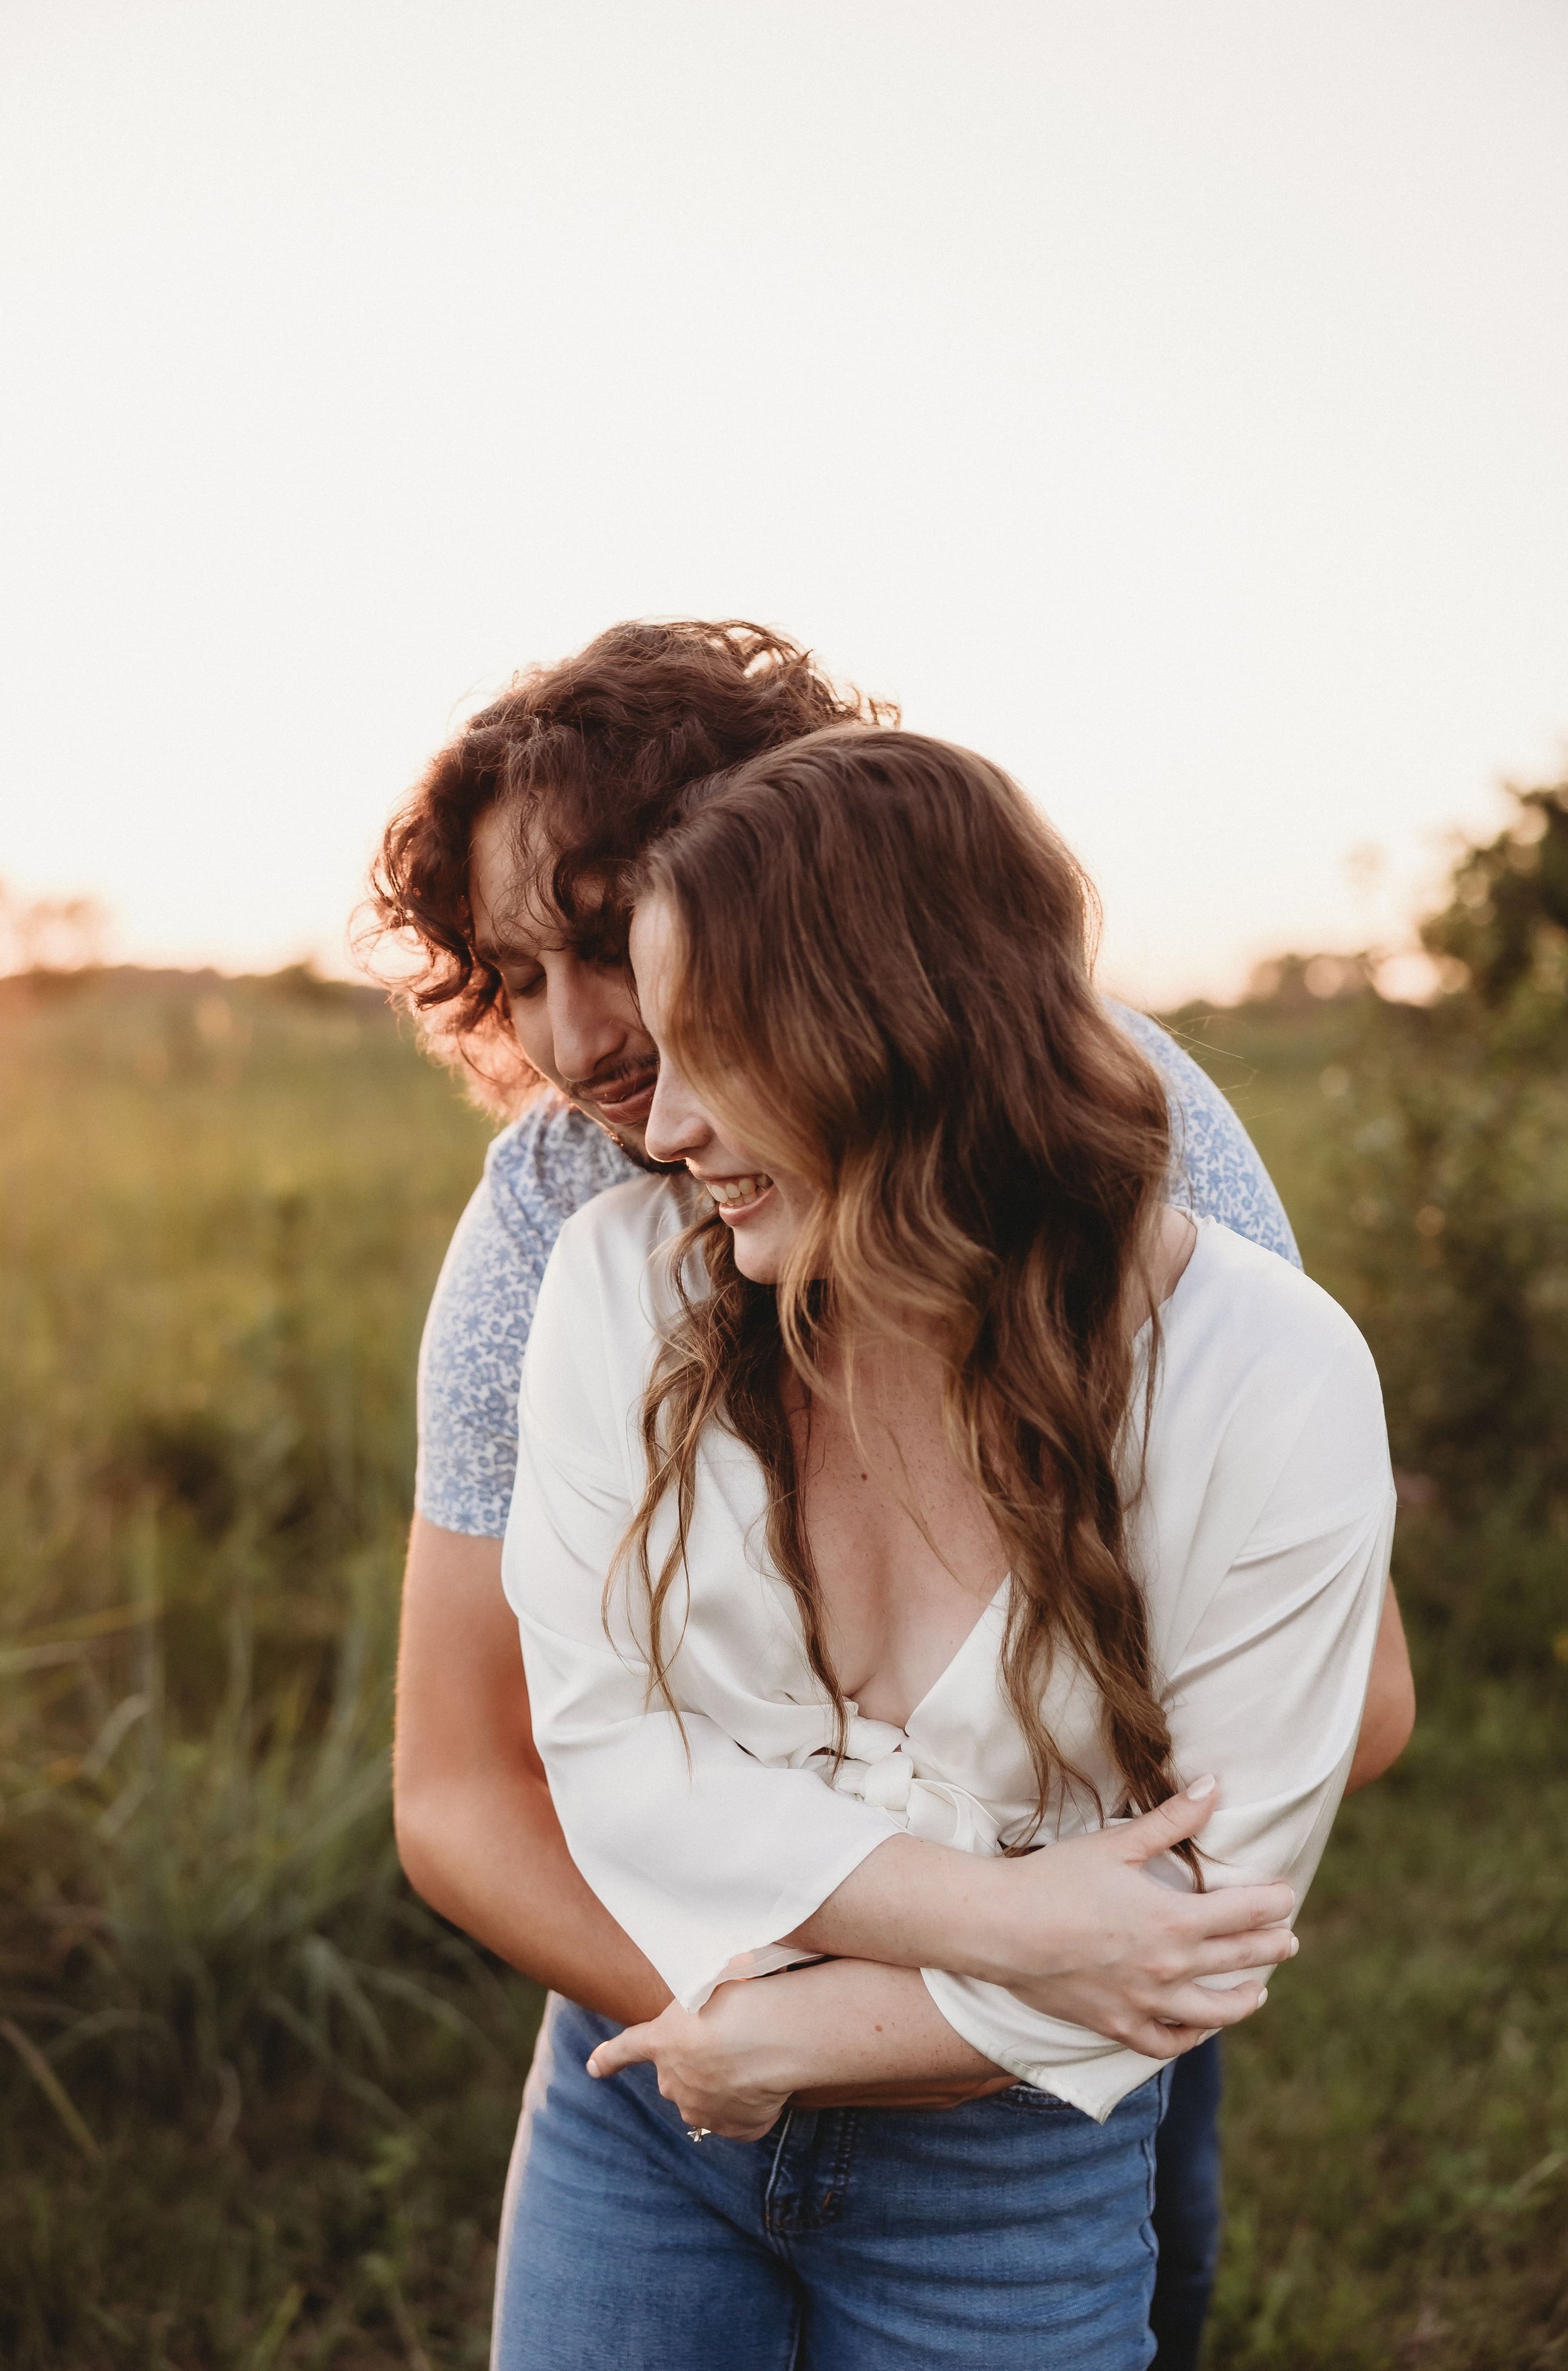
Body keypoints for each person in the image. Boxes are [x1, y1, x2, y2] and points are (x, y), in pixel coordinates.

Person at [371, 622, 1415, 2367]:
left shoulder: (1135, 1152)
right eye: (510, 969)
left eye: (611, 935)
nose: (576, 1044)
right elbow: (490, 1779)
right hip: (689, 2048)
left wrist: (1036, 1994)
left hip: (1054, 2065)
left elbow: (1323, 1727)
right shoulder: (575, 1230)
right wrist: (794, 2021)